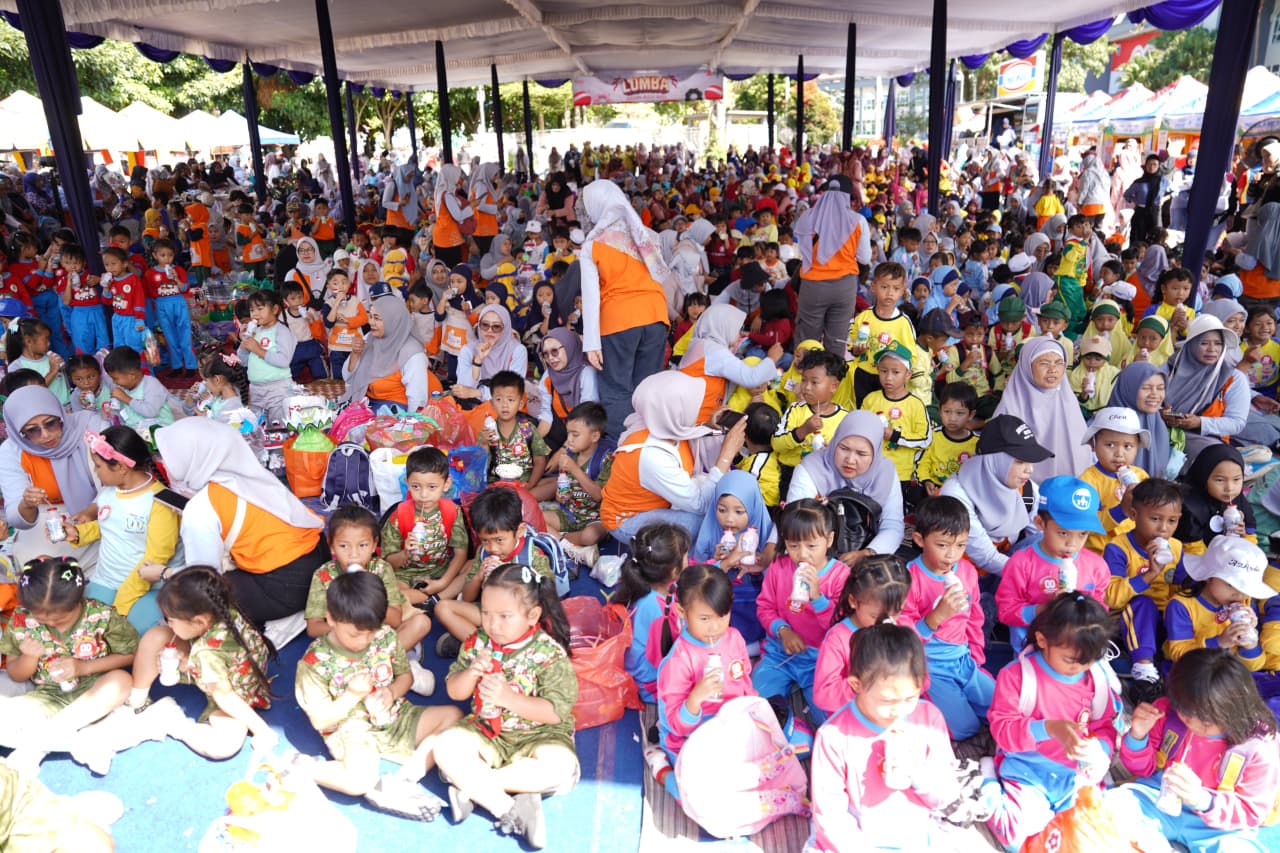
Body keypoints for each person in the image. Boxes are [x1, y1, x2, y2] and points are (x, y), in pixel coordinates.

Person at [434, 563, 580, 849]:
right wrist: (472, 671)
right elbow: (454, 690)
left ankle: (474, 789)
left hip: (539, 735)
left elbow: (554, 712)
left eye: (505, 616)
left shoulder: (548, 652)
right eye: (486, 613)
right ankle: (507, 805)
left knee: (560, 766)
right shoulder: (477, 642)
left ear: (532, 615)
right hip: (487, 730)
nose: (493, 624)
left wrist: (509, 699)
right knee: (445, 746)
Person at [296, 572, 461, 820]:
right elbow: (320, 720)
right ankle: (304, 767)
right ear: (330, 618)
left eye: (370, 633)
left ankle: (406, 778)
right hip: (351, 730)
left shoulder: (385, 636)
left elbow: (404, 676)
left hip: (395, 716)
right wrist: (352, 695)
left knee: (453, 716)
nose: (364, 641)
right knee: (358, 782)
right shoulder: (315, 661)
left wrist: (392, 691)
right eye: (354, 635)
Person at [152, 418, 327, 630]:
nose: (163, 461)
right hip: (319, 558)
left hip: (287, 587)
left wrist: (164, 573)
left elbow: (203, 578)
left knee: (191, 599)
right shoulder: (248, 475)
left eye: (168, 456)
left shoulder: (200, 509)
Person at [808, 624, 967, 851]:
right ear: (856, 684)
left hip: (917, 834)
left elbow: (945, 795)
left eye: (911, 697)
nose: (901, 710)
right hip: (858, 837)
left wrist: (916, 772)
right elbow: (831, 817)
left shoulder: (927, 718)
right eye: (888, 701)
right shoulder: (833, 736)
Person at [98, 566, 273, 770]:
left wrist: (261, 730)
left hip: (233, 693)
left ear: (199, 621)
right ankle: (136, 701)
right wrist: (189, 664)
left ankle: (170, 720)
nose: (168, 624)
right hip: (225, 672)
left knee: (223, 746)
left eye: (170, 620)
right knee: (156, 636)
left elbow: (226, 697)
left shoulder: (206, 654)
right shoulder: (222, 607)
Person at [982, 595, 1122, 850]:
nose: (1079, 667)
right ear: (1042, 640)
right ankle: (988, 778)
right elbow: (1003, 730)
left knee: (1089, 837)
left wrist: (1099, 748)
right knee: (1018, 840)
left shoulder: (1097, 679)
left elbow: (1105, 727)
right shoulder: (1017, 676)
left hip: (1075, 774)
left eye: (1089, 660)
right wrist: (1048, 728)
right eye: (1070, 660)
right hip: (1027, 768)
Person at [1108, 649, 1280, 853]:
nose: (1192, 724)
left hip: (1218, 825)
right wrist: (1137, 736)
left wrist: (1202, 799)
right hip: (1157, 796)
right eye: (1185, 713)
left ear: (1234, 709)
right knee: (1109, 808)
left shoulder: (1258, 745)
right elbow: (1143, 769)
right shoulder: (1166, 712)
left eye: (1205, 721)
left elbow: (1250, 811)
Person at [0, 557, 137, 774]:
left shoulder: (100, 614)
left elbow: (130, 654)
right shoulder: (21, 619)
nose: (51, 624)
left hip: (97, 689)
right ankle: (72, 738)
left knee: (122, 680)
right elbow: (15, 674)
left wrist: (83, 668)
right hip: (48, 696)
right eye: (41, 619)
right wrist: (28, 658)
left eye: (61, 619)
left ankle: (39, 744)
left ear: (79, 601)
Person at [579, 179, 675, 439]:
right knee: (647, 388)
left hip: (619, 320)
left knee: (617, 391)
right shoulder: (644, 234)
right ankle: (649, 447)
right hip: (655, 316)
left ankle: (621, 453)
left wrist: (591, 343)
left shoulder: (593, 245)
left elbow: (590, 297)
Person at [600, 371, 745, 542]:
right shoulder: (652, 456)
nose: (698, 408)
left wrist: (709, 425)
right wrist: (726, 456)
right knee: (707, 521)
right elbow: (700, 504)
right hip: (627, 520)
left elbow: (688, 436)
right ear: (676, 411)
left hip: (657, 504)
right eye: (693, 404)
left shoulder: (658, 423)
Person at [303, 506, 434, 693]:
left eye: (363, 545)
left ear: (374, 545)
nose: (354, 554)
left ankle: (374, 668)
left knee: (421, 622)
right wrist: (348, 631)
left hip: (380, 638)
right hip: (345, 642)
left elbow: (395, 619)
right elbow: (313, 627)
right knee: (317, 652)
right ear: (331, 545)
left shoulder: (381, 570)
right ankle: (394, 666)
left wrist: (370, 590)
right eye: (343, 546)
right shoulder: (324, 575)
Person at [653, 564, 756, 799]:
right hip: (689, 736)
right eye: (704, 618)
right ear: (681, 611)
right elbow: (675, 724)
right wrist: (696, 698)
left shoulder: (734, 638)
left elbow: (744, 682)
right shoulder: (678, 661)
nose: (716, 627)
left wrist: (751, 713)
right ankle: (661, 768)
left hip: (728, 728)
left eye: (723, 616)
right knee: (696, 794)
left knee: (777, 758)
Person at [62, 427, 179, 633]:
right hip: (107, 579)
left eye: (98, 466)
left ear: (122, 468)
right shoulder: (109, 492)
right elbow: (110, 523)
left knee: (132, 634)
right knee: (83, 629)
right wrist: (78, 533)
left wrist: (121, 604)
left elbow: (156, 558)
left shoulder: (159, 502)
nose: (96, 472)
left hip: (146, 586)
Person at [900, 496, 992, 741]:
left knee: (1000, 707)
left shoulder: (967, 571)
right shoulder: (910, 578)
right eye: (942, 545)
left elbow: (974, 618)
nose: (952, 555)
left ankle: (964, 694)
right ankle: (923, 702)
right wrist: (934, 618)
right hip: (930, 665)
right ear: (919, 540)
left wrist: (976, 656)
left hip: (963, 659)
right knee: (965, 729)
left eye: (960, 545)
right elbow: (902, 635)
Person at [753, 499, 850, 723]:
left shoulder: (840, 576)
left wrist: (817, 598)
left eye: (811, 546)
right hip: (780, 653)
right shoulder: (779, 567)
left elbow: (841, 626)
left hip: (822, 658)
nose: (802, 554)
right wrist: (783, 630)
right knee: (756, 707)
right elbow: (765, 608)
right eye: (793, 546)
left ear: (829, 540)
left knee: (829, 716)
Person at [432, 487, 554, 654]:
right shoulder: (483, 553)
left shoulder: (531, 555)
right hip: (489, 614)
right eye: (485, 540)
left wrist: (509, 579)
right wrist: (478, 577)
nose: (493, 548)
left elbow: (548, 596)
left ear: (519, 531)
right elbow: (467, 598)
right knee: (442, 608)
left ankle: (474, 641)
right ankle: (488, 648)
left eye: (499, 540)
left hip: (519, 619)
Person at [995, 475, 1110, 649]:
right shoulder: (1021, 563)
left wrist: (1084, 609)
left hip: (1081, 650)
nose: (1072, 544)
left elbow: (1101, 608)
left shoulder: (1096, 566)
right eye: (1063, 533)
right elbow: (1005, 612)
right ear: (1040, 523)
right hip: (1032, 649)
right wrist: (1046, 607)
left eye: (1082, 534)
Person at [0, 385, 106, 571]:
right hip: (45, 520)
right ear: (19, 432)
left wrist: (91, 509)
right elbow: (16, 517)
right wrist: (26, 503)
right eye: (32, 430)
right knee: (42, 573)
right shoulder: (11, 451)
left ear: (61, 414)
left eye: (51, 423)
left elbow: (121, 480)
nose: (46, 435)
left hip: (101, 510)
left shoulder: (90, 427)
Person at [1102, 477, 1187, 706]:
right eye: (1155, 519)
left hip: (1164, 620)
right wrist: (1148, 574)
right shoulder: (1119, 548)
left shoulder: (1177, 548)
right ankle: (1144, 673)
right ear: (1133, 514)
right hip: (1126, 621)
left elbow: (1181, 589)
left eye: (1172, 521)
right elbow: (1110, 595)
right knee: (1144, 604)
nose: (1163, 528)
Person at [786, 411, 905, 566]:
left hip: (868, 555)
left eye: (861, 454)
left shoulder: (884, 472)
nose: (850, 460)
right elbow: (795, 519)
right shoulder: (812, 468)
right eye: (843, 448)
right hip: (813, 555)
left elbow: (892, 525)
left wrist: (868, 553)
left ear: (875, 453)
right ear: (835, 442)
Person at [812, 555, 911, 716]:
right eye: (875, 616)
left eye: (896, 612)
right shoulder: (838, 639)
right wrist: (868, 683)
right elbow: (823, 695)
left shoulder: (904, 627)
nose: (887, 621)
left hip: (895, 712)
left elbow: (923, 678)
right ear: (853, 601)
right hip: (853, 717)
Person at [992, 336, 1090, 482]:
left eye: (1059, 363)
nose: (1053, 370)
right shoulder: (1011, 404)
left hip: (1068, 490)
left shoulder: (1068, 400)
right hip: (1022, 488)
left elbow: (1081, 451)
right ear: (1027, 366)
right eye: (1044, 363)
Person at [381, 446, 469, 610]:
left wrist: (442, 582)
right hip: (405, 576)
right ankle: (429, 599)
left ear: (446, 484)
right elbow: (389, 562)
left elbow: (460, 553)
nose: (423, 494)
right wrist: (405, 553)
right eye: (416, 487)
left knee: (473, 565)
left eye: (432, 487)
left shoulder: (452, 511)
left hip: (441, 573)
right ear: (407, 483)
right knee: (391, 589)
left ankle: (433, 598)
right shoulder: (399, 515)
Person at [792, 175, 870, 357]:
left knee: (807, 339)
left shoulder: (807, 217)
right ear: (848, 196)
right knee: (837, 339)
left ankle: (804, 379)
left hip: (813, 286)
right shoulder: (858, 221)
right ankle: (833, 381)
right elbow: (865, 258)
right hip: (844, 286)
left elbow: (800, 250)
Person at [1164, 535, 1270, 669]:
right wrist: (1219, 642)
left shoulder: (1245, 603)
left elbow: (1254, 667)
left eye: (1245, 588)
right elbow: (1178, 654)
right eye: (1231, 585)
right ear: (1208, 576)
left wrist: (1249, 643)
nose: (1239, 594)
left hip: (1228, 674)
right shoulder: (1181, 606)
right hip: (1193, 673)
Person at [613, 523, 690, 704]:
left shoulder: (649, 584)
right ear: (674, 571)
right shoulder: (657, 610)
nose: (689, 560)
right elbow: (662, 660)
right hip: (649, 684)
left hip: (646, 667)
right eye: (687, 556)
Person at [1162, 314, 1249, 463]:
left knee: (1217, 457)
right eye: (1204, 343)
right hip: (1162, 430)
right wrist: (1160, 413)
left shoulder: (1232, 378)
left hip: (1203, 437)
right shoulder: (1168, 369)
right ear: (1192, 344)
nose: (1212, 349)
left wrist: (1200, 422)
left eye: (1218, 343)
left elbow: (1236, 422)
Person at [537, 401, 614, 565]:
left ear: (594, 436)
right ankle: (571, 548)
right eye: (568, 434)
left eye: (575, 435)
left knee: (589, 536)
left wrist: (574, 469)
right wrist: (561, 496)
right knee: (536, 518)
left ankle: (561, 539)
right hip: (571, 514)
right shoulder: (571, 454)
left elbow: (598, 495)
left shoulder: (605, 458)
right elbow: (565, 488)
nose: (569, 440)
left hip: (596, 518)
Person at [679, 303, 781, 422]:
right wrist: (771, 359)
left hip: (692, 413)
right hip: (699, 417)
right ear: (724, 326)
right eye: (738, 329)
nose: (740, 333)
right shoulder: (714, 351)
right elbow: (751, 378)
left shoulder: (702, 344)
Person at [340, 294, 432, 413]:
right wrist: (355, 354)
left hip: (395, 411)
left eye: (377, 318)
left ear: (393, 320)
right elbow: (347, 378)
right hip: (366, 403)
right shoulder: (370, 338)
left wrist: (410, 425)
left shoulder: (412, 352)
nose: (371, 322)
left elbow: (418, 398)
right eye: (371, 316)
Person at [1173, 443, 1256, 554]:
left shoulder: (1239, 500)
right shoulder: (1189, 507)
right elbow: (1193, 551)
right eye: (1220, 480)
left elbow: (1251, 539)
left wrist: (1244, 536)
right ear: (1203, 477)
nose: (1229, 488)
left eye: (1236, 480)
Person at [479, 371, 549, 485]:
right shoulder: (487, 433)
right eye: (499, 400)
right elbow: (480, 469)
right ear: (491, 403)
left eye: (510, 400)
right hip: (497, 484)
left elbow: (540, 461)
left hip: (525, 483)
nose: (505, 405)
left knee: (552, 483)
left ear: (521, 404)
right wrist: (483, 444)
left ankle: (527, 495)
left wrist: (530, 485)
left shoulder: (528, 429)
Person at [237, 288, 295, 425]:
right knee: (255, 426)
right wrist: (243, 344)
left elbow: (284, 360)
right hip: (256, 388)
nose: (255, 314)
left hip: (277, 388)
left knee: (278, 426)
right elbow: (244, 362)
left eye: (260, 309)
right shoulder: (255, 331)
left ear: (274, 310)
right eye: (252, 310)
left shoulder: (282, 331)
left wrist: (258, 350)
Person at [535, 328, 598, 450]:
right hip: (559, 431)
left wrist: (563, 451)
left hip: (584, 434)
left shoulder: (586, 373)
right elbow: (546, 417)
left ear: (570, 346)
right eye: (545, 354)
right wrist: (531, 445)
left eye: (554, 351)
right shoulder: (549, 375)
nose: (551, 358)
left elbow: (586, 417)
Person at [453, 304, 527, 403]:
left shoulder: (517, 351)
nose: (489, 331)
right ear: (479, 326)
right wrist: (478, 361)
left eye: (496, 326)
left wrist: (479, 393)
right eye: (485, 325)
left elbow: (513, 391)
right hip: (473, 407)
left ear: (505, 328)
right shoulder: (468, 350)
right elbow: (463, 391)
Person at [1111, 362, 1172, 478]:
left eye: (1160, 388)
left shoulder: (1158, 425)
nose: (1155, 394)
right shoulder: (1109, 426)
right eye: (1146, 388)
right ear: (1128, 389)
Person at [104, 346, 177, 431]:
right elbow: (123, 414)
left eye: (115, 378)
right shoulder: (124, 388)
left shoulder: (151, 384)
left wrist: (126, 399)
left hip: (160, 429)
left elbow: (151, 412)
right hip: (137, 430)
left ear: (132, 375)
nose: (114, 382)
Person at [430, 164, 473, 267]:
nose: (459, 179)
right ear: (451, 176)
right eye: (457, 176)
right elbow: (458, 216)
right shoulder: (447, 195)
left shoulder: (439, 193)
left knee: (444, 268)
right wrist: (471, 207)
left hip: (441, 235)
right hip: (448, 236)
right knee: (452, 268)